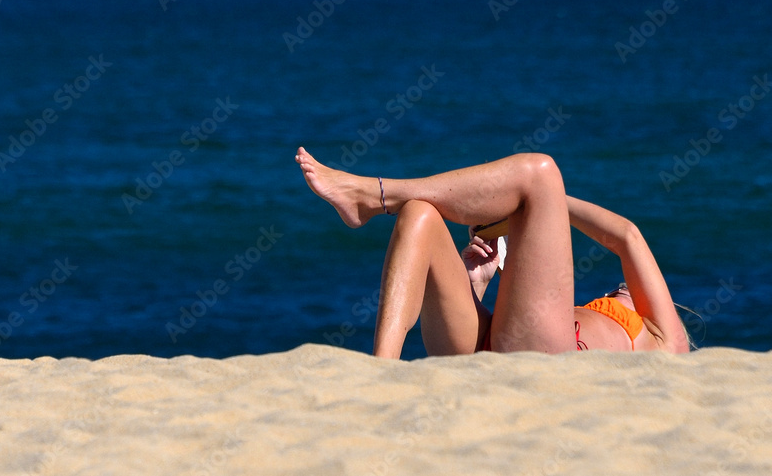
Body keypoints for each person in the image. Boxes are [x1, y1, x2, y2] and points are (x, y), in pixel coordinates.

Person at [294, 147, 691, 356]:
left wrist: (548, 200)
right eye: (618, 289)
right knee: (420, 215)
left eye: (620, 290)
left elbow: (628, 236)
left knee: (541, 172)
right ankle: (382, 368)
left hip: (550, 358)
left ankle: (375, 195)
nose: (617, 289)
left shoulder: (669, 341)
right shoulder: (609, 319)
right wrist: (477, 286)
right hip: (489, 346)